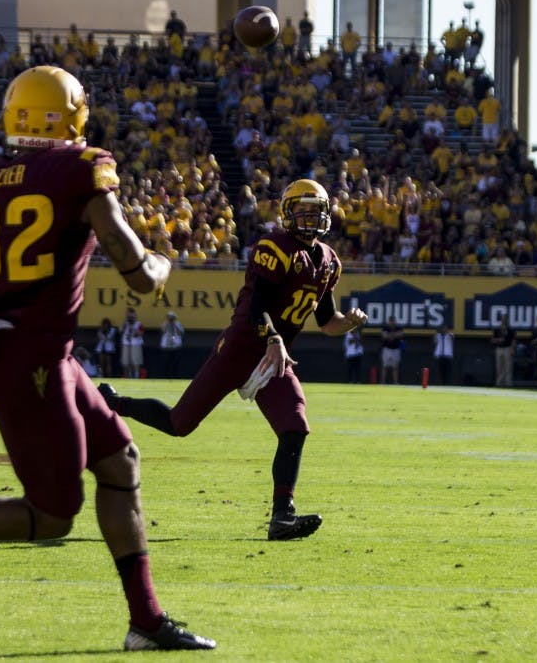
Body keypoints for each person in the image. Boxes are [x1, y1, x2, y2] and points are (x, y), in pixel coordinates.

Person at [0, 67, 214, 651]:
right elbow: (134, 271)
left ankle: (147, 622)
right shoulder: (79, 171)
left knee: (122, 464)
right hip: (32, 360)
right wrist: (162, 266)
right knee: (51, 518)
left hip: (25, 353)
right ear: (75, 115)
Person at [100, 179, 367, 541]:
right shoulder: (275, 247)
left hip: (275, 355)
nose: (310, 219)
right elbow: (257, 307)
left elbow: (326, 323)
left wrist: (348, 323)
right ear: (288, 214)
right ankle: (114, 403)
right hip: (243, 348)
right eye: (303, 211)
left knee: (295, 425)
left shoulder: (328, 262)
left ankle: (282, 516)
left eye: (315, 211)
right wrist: (273, 338)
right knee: (179, 423)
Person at [120, 308, 145, 379]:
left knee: (136, 361)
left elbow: (140, 334)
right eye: (129, 317)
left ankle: (136, 376)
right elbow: (121, 331)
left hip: (135, 344)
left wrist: (133, 328)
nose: (130, 318)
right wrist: (126, 325)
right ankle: (128, 376)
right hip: (126, 344)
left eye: (132, 317)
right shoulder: (125, 324)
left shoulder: (139, 324)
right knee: (126, 361)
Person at [490, 317, 514, 387]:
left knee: (508, 367)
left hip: (507, 348)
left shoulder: (511, 330)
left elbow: (514, 340)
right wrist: (498, 340)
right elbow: (492, 340)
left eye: (505, 320)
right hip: (499, 349)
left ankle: (508, 384)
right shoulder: (497, 330)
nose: (504, 321)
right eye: (503, 319)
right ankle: (499, 383)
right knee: (499, 367)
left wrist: (512, 349)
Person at [159, 311, 185, 377]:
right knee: (166, 363)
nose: (171, 319)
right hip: (166, 347)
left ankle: (175, 376)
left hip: (176, 346)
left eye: (172, 317)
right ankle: (165, 376)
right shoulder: (165, 324)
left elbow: (181, 332)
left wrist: (174, 324)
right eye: (169, 317)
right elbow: (163, 330)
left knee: (175, 363)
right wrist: (168, 323)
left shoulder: (177, 324)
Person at [379, 316, 404, 384]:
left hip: (396, 349)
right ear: (389, 321)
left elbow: (401, 334)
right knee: (384, 366)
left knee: (395, 367)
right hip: (387, 349)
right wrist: (394, 335)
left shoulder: (398, 327)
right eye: (391, 321)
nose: (392, 322)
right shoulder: (385, 327)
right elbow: (384, 336)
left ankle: (395, 382)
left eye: (393, 321)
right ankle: (383, 382)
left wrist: (390, 335)